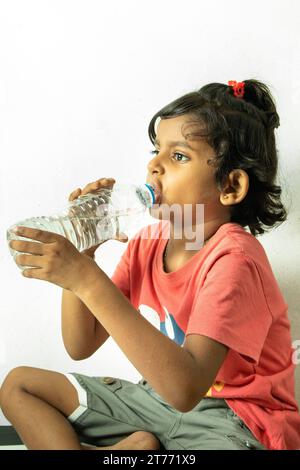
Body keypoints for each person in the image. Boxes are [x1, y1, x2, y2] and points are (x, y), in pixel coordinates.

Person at [1, 79, 300, 450]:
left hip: (234, 423)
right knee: (20, 386)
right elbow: (81, 343)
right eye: (156, 149)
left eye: (178, 156)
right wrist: (84, 255)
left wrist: (89, 280)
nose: (154, 165)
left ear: (230, 187)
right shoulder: (149, 243)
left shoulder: (235, 260)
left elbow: (186, 389)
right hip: (155, 404)